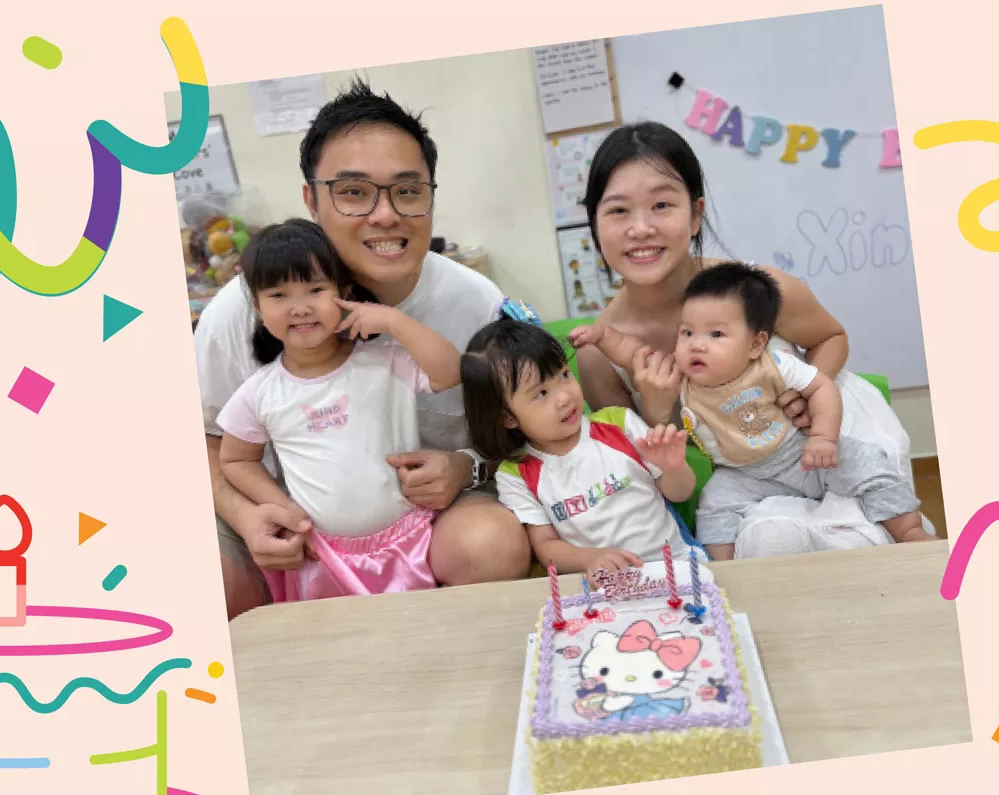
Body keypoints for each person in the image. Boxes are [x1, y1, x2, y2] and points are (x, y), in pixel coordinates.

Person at [194, 78, 530, 617]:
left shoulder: (475, 303)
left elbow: (520, 432)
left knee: (490, 543)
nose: (384, 215)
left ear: (430, 198)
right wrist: (247, 513)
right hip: (300, 525)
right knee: (205, 577)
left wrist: (465, 469)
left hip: (427, 518)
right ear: (311, 199)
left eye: (408, 190)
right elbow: (209, 441)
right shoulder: (242, 311)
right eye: (353, 192)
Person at [570, 121, 930, 552]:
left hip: (833, 440)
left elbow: (831, 337)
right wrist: (658, 408)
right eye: (618, 210)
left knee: (871, 545)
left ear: (696, 213)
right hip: (748, 483)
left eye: (662, 205)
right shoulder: (599, 355)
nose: (641, 228)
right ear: (594, 224)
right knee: (768, 549)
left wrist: (810, 391)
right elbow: (651, 473)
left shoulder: (757, 289)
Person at [571, 262, 932, 559]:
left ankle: (909, 532)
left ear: (756, 343)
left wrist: (823, 437)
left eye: (715, 335)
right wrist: (602, 337)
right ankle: (726, 572)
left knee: (869, 464)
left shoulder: (773, 365)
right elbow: (635, 355)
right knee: (714, 506)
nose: (697, 345)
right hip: (742, 472)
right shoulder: (683, 378)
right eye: (686, 333)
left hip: (798, 453)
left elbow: (821, 386)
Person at [216, 219, 463, 602]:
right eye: (278, 295)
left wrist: (395, 321)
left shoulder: (384, 361)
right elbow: (235, 460)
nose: (299, 308)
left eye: (315, 289)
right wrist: (280, 507)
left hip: (411, 544)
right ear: (257, 306)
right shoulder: (261, 392)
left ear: (343, 292)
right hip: (323, 559)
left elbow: (450, 373)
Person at [460, 319, 693, 582]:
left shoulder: (619, 423)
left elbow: (681, 493)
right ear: (507, 417)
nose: (564, 397)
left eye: (563, 375)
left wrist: (675, 468)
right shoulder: (516, 474)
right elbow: (545, 546)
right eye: (541, 393)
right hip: (603, 584)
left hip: (676, 567)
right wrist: (588, 558)